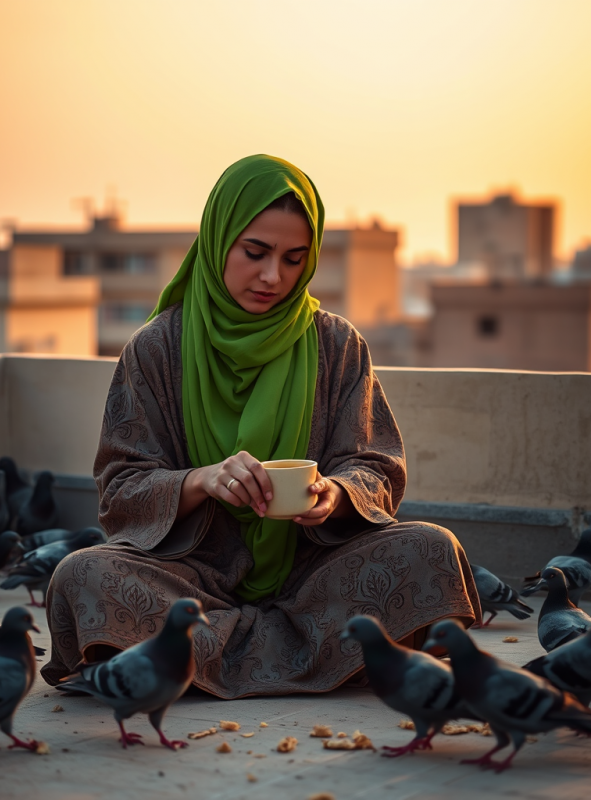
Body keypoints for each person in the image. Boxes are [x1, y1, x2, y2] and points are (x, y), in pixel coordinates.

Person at [42, 154, 479, 697]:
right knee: (81, 576)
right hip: (189, 582)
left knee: (434, 550)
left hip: (315, 576)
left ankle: (183, 668)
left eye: (295, 259)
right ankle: (341, 660)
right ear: (219, 238)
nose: (274, 276)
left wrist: (334, 494)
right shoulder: (156, 349)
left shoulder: (336, 345)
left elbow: (377, 466)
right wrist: (199, 481)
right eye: (255, 252)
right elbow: (120, 490)